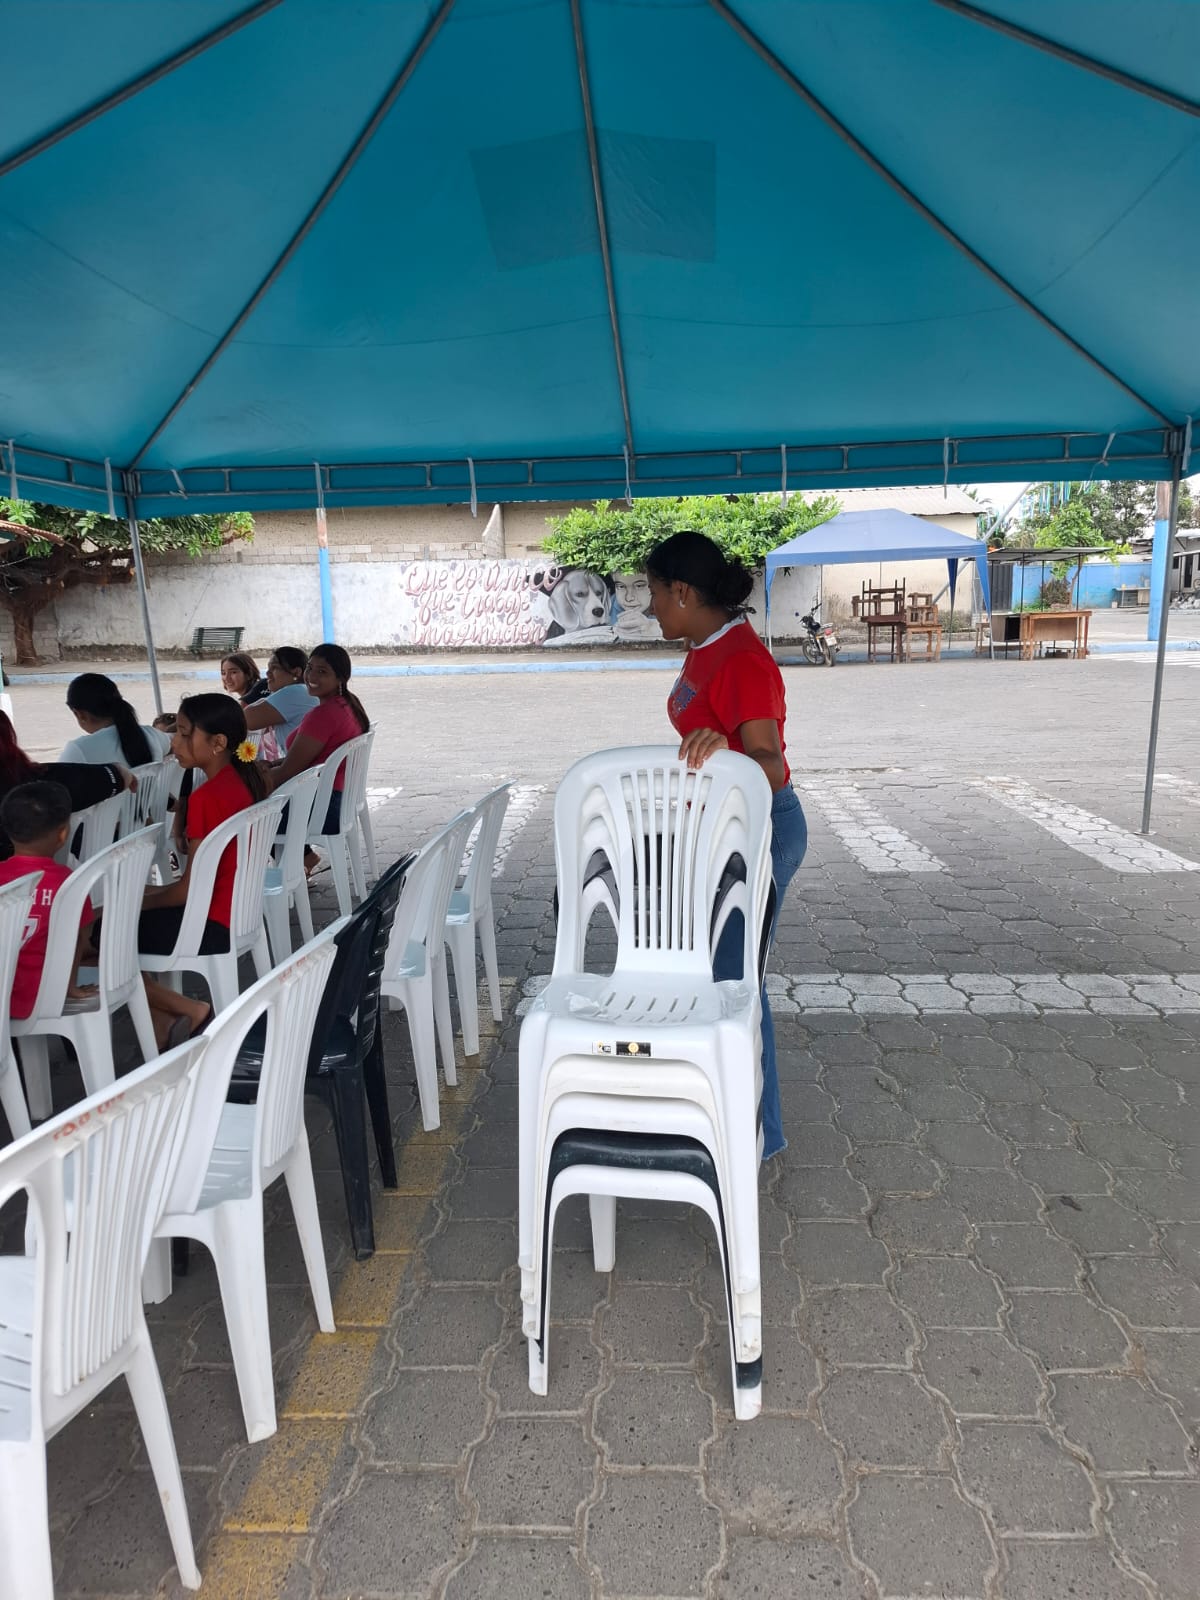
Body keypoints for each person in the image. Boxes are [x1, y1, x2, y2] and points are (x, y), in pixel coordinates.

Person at [645, 530, 807, 1160]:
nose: (650, 607)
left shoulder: (740, 660)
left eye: (655, 594)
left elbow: (771, 766)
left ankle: (758, 1135)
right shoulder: (704, 647)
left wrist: (727, 751)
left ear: (683, 592)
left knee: (737, 983)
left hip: (759, 834)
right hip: (721, 831)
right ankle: (720, 1110)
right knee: (718, 975)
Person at [135, 693, 267, 1046]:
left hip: (208, 923)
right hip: (235, 913)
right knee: (112, 927)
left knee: (99, 936)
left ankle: (190, 1010)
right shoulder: (246, 779)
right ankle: (163, 1022)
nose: (174, 743)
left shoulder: (207, 798)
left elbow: (186, 892)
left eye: (183, 733)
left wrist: (135, 903)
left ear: (218, 743)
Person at [262, 644, 369, 866]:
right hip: (338, 801)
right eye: (310, 668)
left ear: (340, 677)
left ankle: (279, 876)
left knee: (246, 815)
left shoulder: (323, 715)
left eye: (322, 672)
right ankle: (298, 865)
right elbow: (314, 757)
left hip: (323, 808)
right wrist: (271, 765)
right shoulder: (348, 704)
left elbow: (286, 773)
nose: (312, 676)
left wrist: (248, 782)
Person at [0, 781, 97, 1021]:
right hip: (41, 998)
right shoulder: (69, 883)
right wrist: (70, 986)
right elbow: (79, 939)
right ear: (63, 834)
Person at [0, 709, 134, 859]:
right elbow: (116, 776)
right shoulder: (39, 781)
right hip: (41, 872)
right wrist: (122, 774)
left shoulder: (37, 780)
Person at [59, 672, 170, 767]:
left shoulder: (78, 750)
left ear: (79, 714)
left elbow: (56, 783)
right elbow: (174, 739)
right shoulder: (151, 734)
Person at [242, 646, 315, 761]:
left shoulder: (293, 692)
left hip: (305, 768)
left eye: (274, 668)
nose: (268, 673)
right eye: (268, 668)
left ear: (296, 672)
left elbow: (246, 720)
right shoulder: (305, 691)